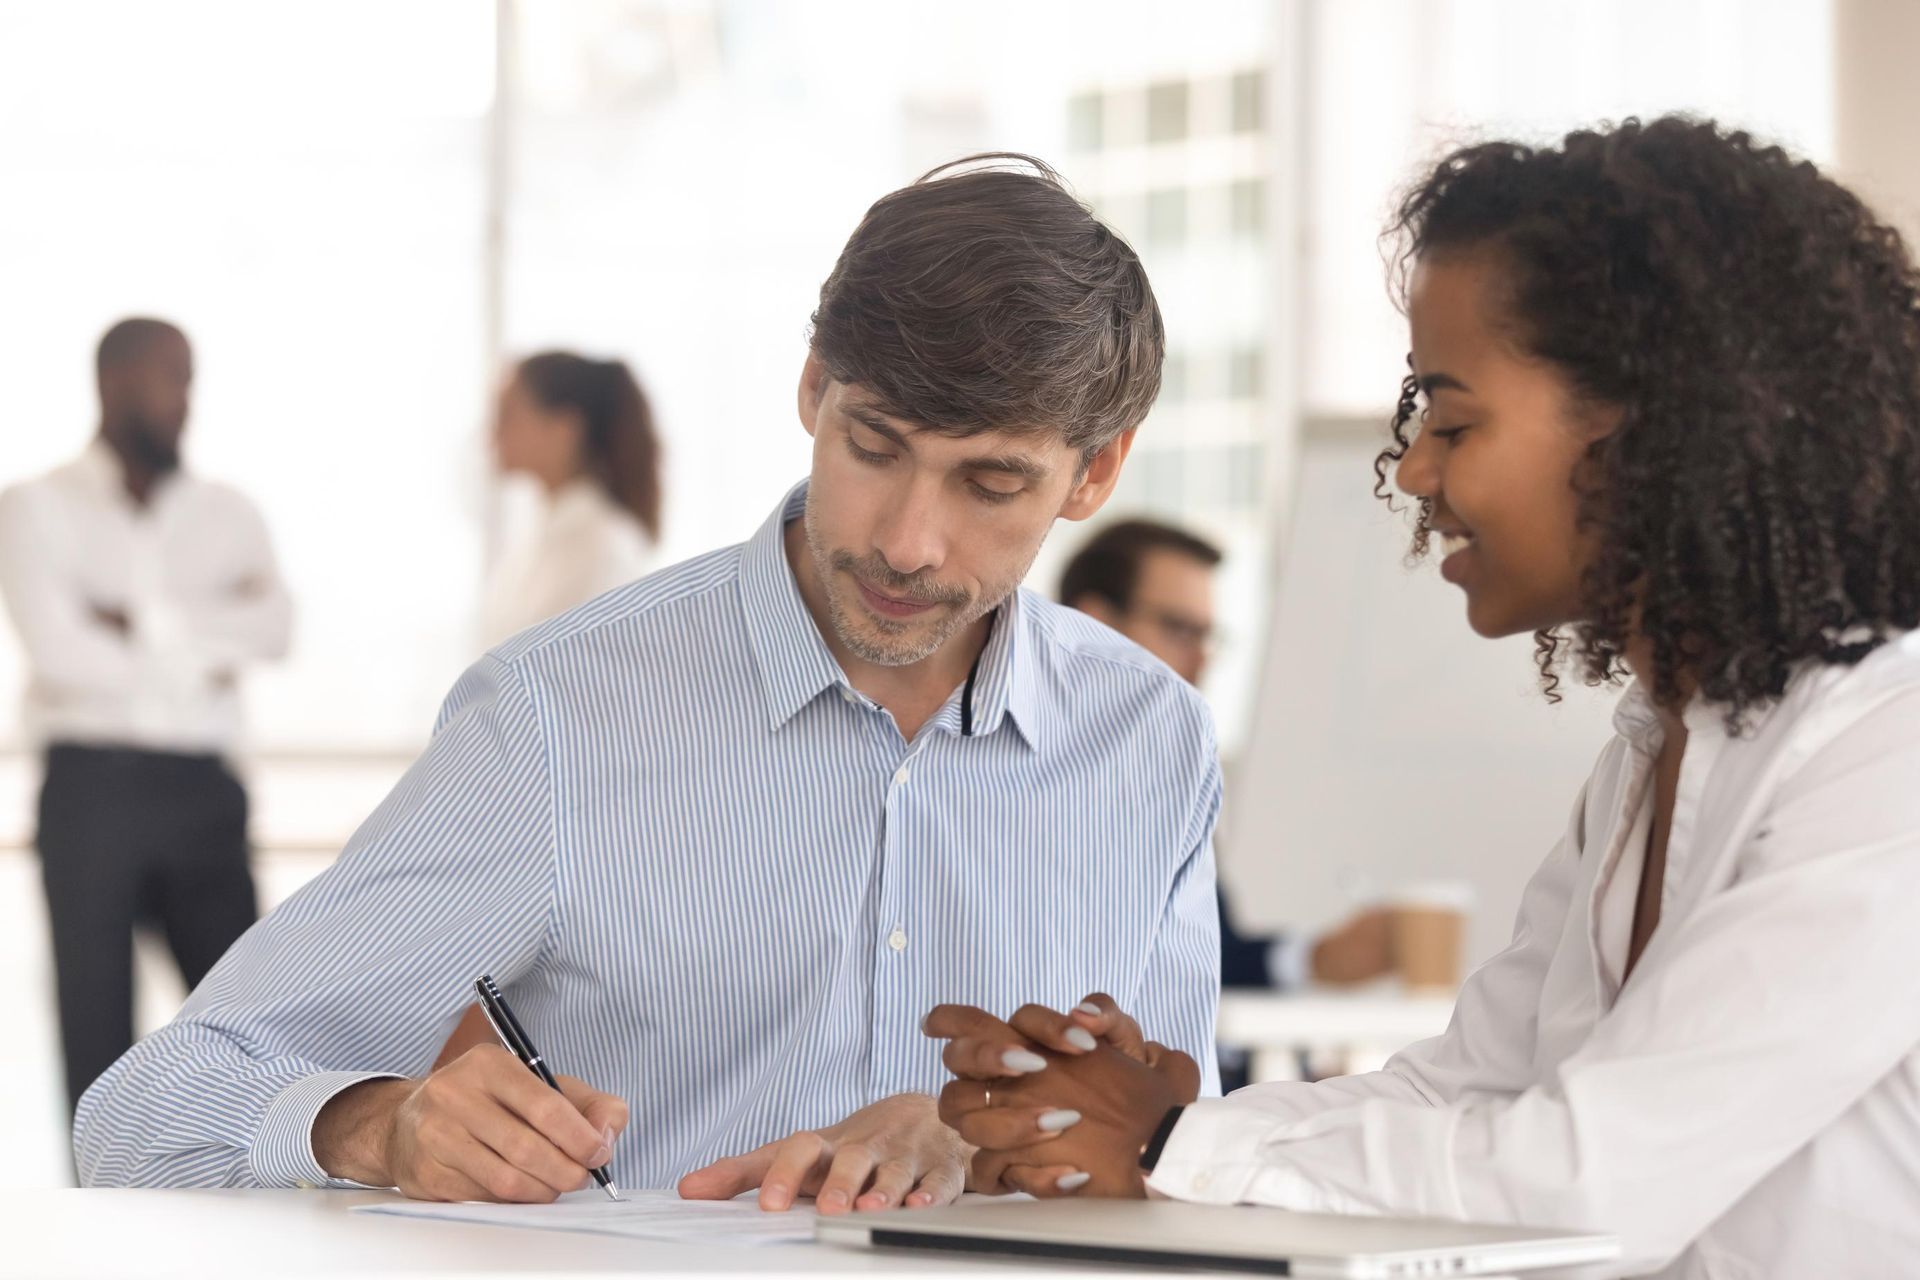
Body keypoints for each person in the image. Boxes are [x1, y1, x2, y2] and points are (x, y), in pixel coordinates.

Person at [73, 156, 1224, 1217]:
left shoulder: (1152, 740)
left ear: (1097, 471)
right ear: (815, 387)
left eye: (989, 481)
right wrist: (382, 1122)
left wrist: (978, 1141)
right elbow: (142, 1111)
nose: (912, 542)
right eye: (875, 446)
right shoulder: (558, 717)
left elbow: (1185, 1154)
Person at [924, 117, 1920, 1277]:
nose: (1412, 470)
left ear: (1653, 429)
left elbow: (1589, 1180)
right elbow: (1462, 1085)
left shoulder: (1887, 753)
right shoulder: (1655, 750)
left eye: (1453, 420)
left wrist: (1159, 1138)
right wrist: (1113, 1126)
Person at [0, 317, 292, 1114]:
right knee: (93, 1030)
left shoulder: (230, 512)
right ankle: (96, 1229)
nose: (185, 400)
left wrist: (139, 624)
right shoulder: (35, 506)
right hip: (90, 790)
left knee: (246, 1021)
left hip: (204, 791)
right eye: (172, 378)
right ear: (114, 381)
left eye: (190, 379)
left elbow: (275, 630)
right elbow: (59, 652)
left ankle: (263, 1206)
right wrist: (203, 650)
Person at [1059, 519, 1392, 992]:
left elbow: (1208, 951)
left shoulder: (1165, 765)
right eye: (1179, 629)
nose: (1201, 660)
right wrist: (1313, 959)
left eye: (1207, 636)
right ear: (1094, 621)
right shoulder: (1014, 764)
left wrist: (1316, 959)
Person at [477, 352, 661, 647]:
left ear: (564, 430)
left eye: (507, 415)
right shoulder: (535, 538)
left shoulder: (605, 549)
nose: (492, 433)